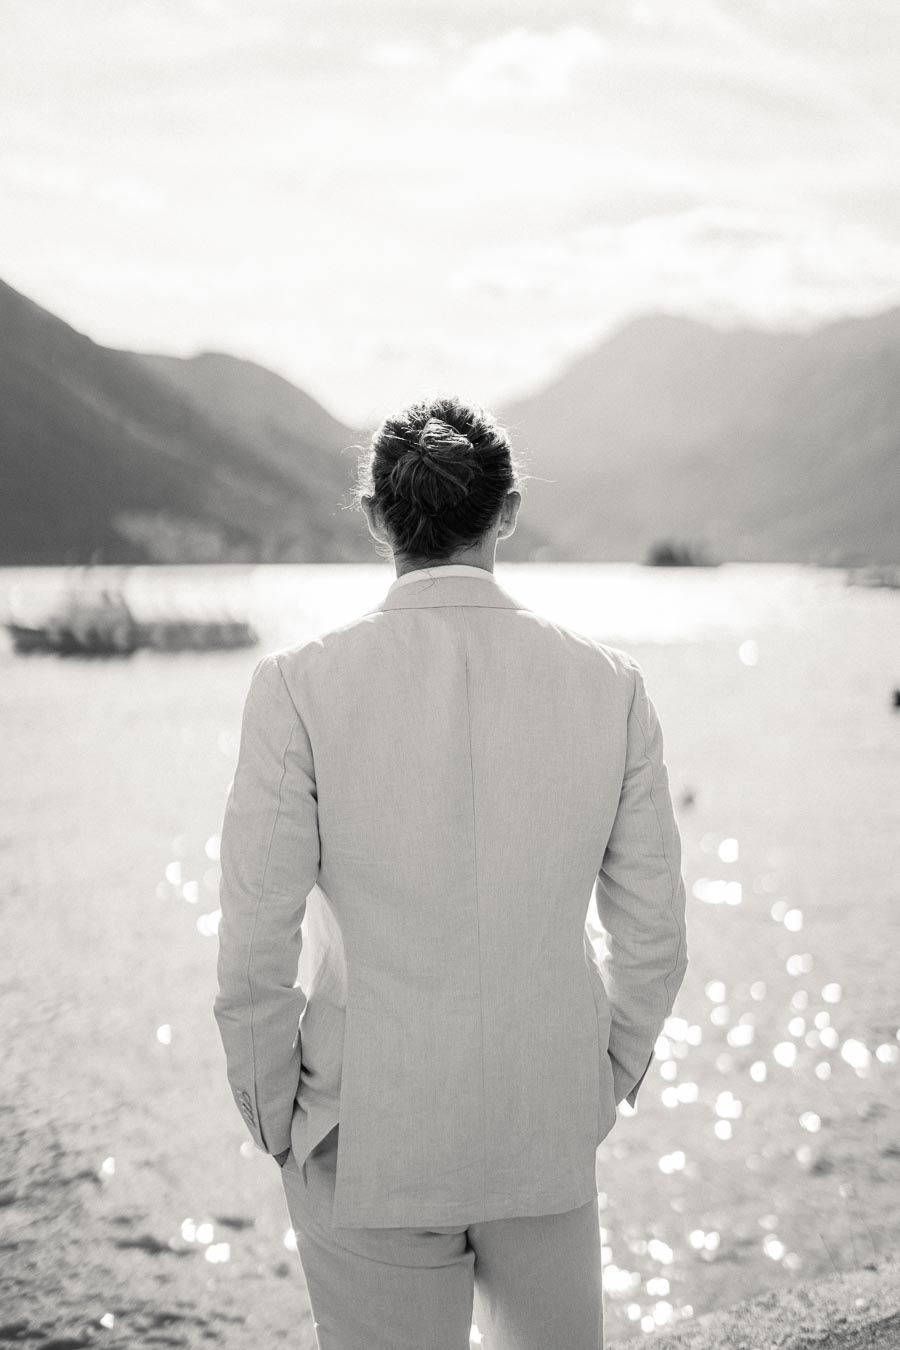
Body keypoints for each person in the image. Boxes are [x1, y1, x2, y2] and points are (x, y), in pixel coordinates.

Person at [213, 395, 688, 1350]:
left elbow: (254, 943)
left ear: (380, 516)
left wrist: (276, 1119)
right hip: (544, 1113)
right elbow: (654, 939)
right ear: (505, 512)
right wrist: (602, 1082)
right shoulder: (609, 685)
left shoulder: (300, 686)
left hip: (360, 1127)